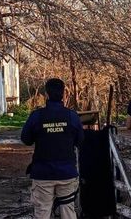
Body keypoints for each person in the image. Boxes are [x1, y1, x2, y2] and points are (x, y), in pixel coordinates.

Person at [20, 78, 84, 219]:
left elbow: (26, 139)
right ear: (63, 94)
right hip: (67, 173)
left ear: (46, 95)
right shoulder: (72, 116)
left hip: (43, 173)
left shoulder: (36, 116)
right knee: (68, 211)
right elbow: (81, 141)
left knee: (42, 211)